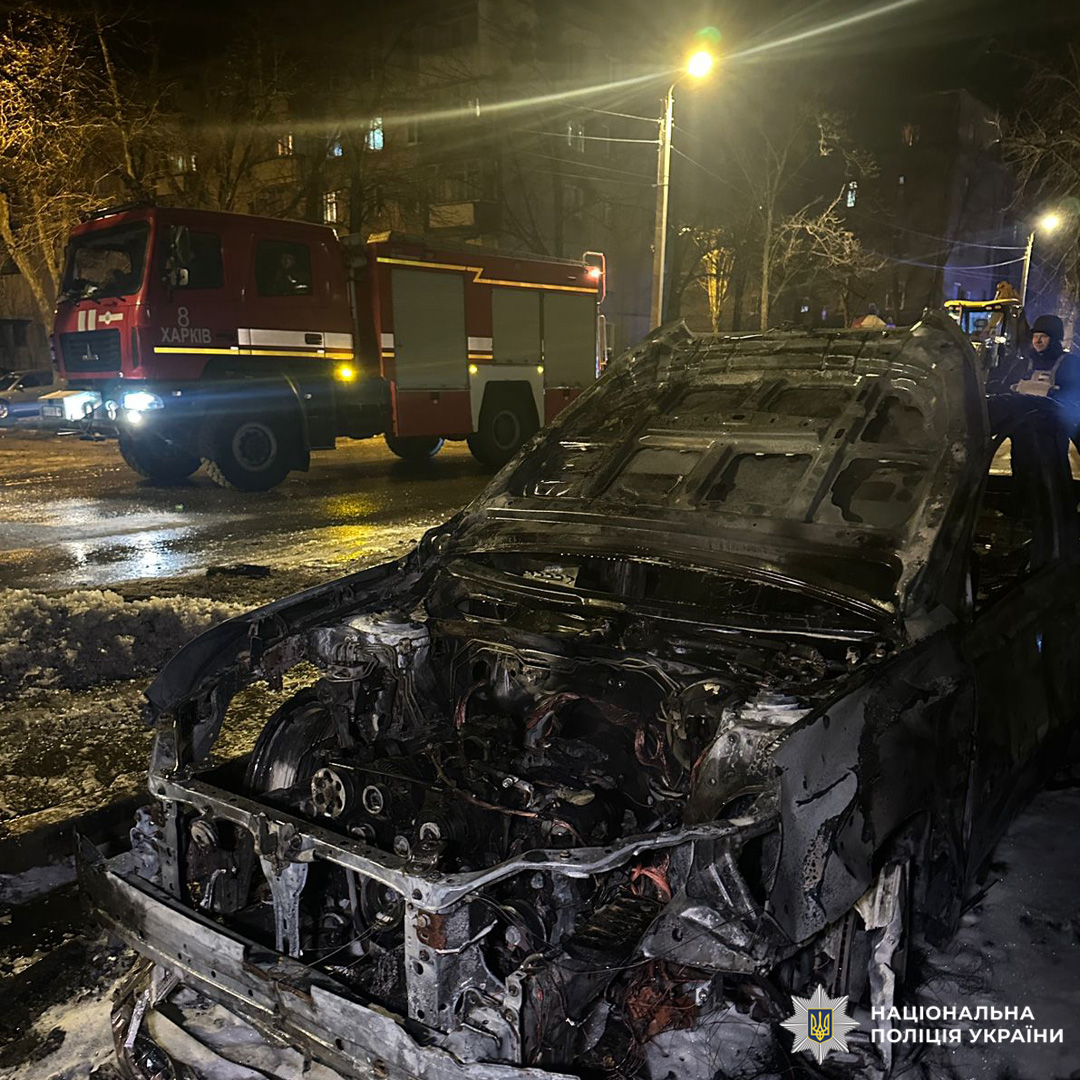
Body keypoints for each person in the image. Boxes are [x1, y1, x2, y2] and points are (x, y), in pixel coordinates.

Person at [1012, 313, 1080, 450]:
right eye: (1035, 336)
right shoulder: (1022, 363)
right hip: (1023, 432)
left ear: (1054, 339)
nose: (1037, 341)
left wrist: (1050, 393)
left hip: (1052, 432)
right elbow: (1002, 388)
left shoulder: (1068, 363)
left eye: (1043, 336)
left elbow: (1073, 396)